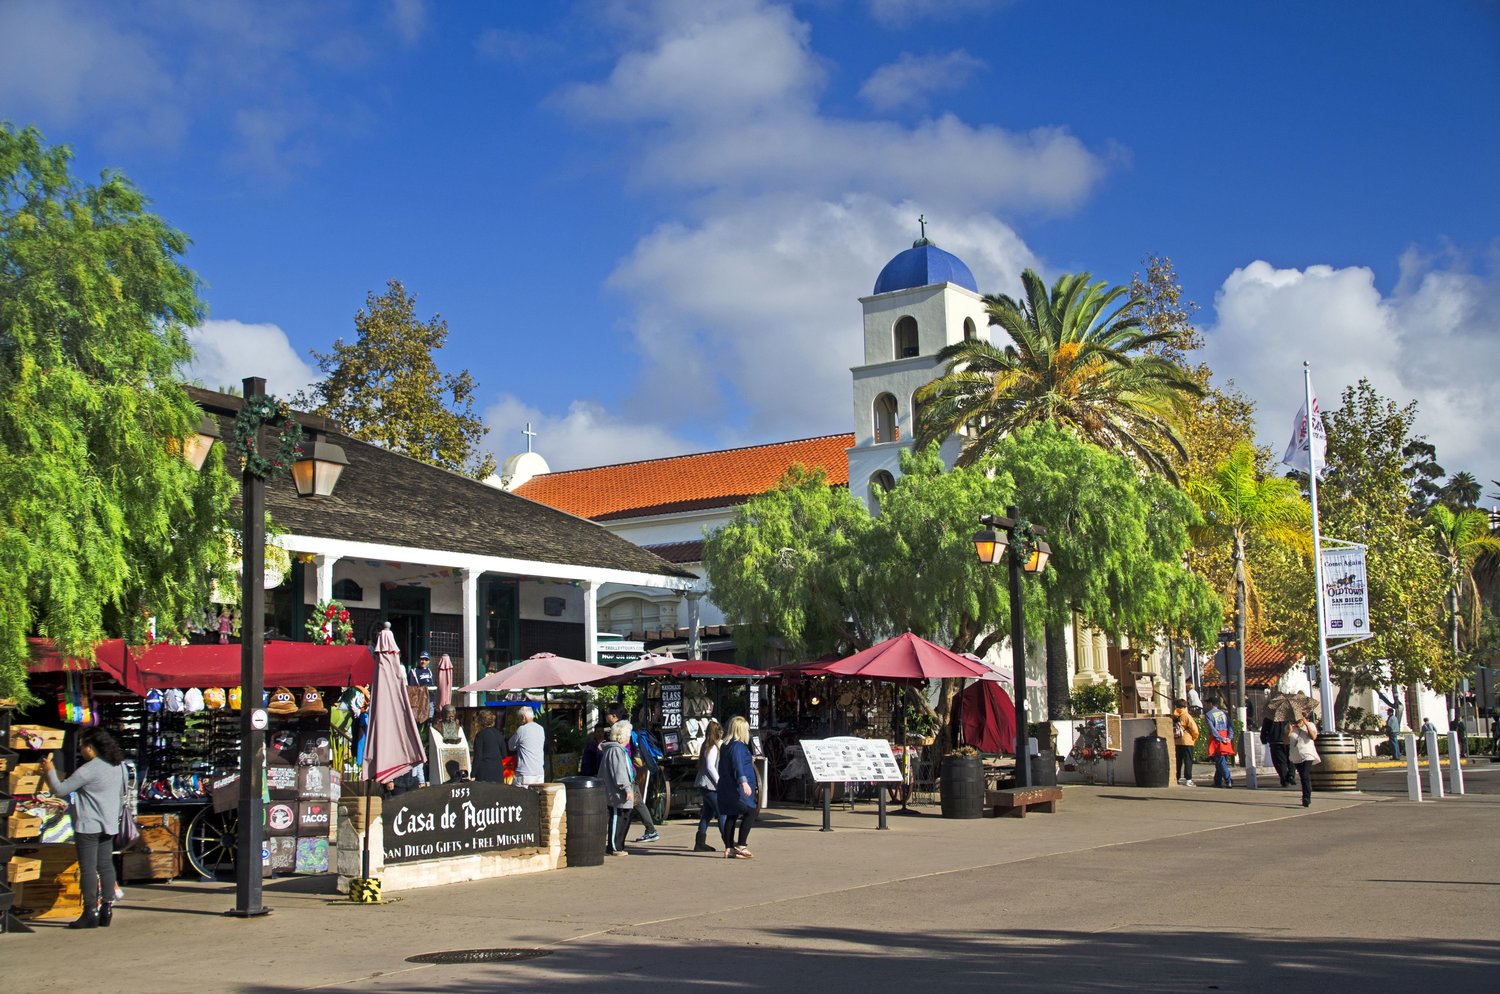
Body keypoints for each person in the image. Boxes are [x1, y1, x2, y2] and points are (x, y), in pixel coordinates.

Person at [41, 727, 127, 928]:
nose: (80, 750)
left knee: (88, 868)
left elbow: (60, 789)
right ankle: (107, 908)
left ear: (91, 747)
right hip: (109, 824)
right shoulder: (119, 766)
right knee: (105, 866)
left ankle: (90, 911)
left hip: (88, 825)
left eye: (82, 746)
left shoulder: (88, 770)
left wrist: (50, 771)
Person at [717, 715, 759, 859]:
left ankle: (729, 848)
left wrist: (748, 758)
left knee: (731, 815)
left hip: (725, 786)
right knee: (750, 812)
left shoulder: (725, 744)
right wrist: (744, 782)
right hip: (737, 788)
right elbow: (737, 764)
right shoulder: (738, 746)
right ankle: (741, 845)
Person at [600, 720, 636, 856]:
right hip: (616, 791)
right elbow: (619, 772)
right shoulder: (615, 750)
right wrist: (626, 788)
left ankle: (619, 846)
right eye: (628, 734)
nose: (630, 737)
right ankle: (614, 847)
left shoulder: (619, 750)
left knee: (624, 816)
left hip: (619, 790)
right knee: (617, 815)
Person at [693, 719, 723, 852]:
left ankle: (700, 842)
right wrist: (719, 782)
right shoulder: (713, 747)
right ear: (717, 733)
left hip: (703, 783)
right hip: (709, 785)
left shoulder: (706, 745)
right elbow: (711, 767)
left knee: (707, 813)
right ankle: (728, 841)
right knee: (722, 812)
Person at [1286, 715, 1319, 807]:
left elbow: (1313, 737)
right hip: (1296, 755)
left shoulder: (1310, 725)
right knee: (1302, 776)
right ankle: (1305, 796)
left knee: (1305, 775)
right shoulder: (1290, 726)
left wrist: (1306, 725)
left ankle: (1306, 798)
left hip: (1308, 754)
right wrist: (1289, 730)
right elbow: (1285, 741)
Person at [508, 705, 545, 786]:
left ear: (523, 717)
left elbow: (511, 746)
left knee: (519, 797)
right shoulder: (541, 729)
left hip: (525, 773)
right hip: (539, 772)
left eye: (519, 718)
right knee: (537, 797)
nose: (519, 720)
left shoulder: (522, 729)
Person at [1203, 697, 1235, 788]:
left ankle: (1228, 780)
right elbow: (1231, 726)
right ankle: (1217, 781)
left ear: (1211, 704)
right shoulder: (1224, 713)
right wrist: (1229, 737)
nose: (1206, 705)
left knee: (1221, 761)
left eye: (1207, 703)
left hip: (1217, 739)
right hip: (1226, 736)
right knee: (1221, 760)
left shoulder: (1209, 714)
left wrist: (1220, 738)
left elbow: (1212, 729)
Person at [471, 710, 508, 783]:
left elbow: (478, 756)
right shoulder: (499, 734)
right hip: (497, 770)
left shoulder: (480, 735)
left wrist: (473, 773)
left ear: (481, 722)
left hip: (484, 771)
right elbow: (504, 754)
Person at [1171, 699, 1198, 787]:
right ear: (1185, 706)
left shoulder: (1174, 716)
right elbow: (1194, 729)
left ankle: (1177, 777)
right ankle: (1188, 779)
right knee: (1188, 761)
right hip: (1187, 741)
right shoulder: (1186, 716)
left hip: (1177, 741)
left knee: (1178, 761)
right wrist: (1194, 738)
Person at [1260, 713, 1292, 788]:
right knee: (1290, 759)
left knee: (1280, 762)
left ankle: (1285, 779)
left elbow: (1264, 730)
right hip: (1288, 741)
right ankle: (1291, 775)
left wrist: (1264, 739)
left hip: (1276, 741)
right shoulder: (1289, 716)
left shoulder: (1269, 717)